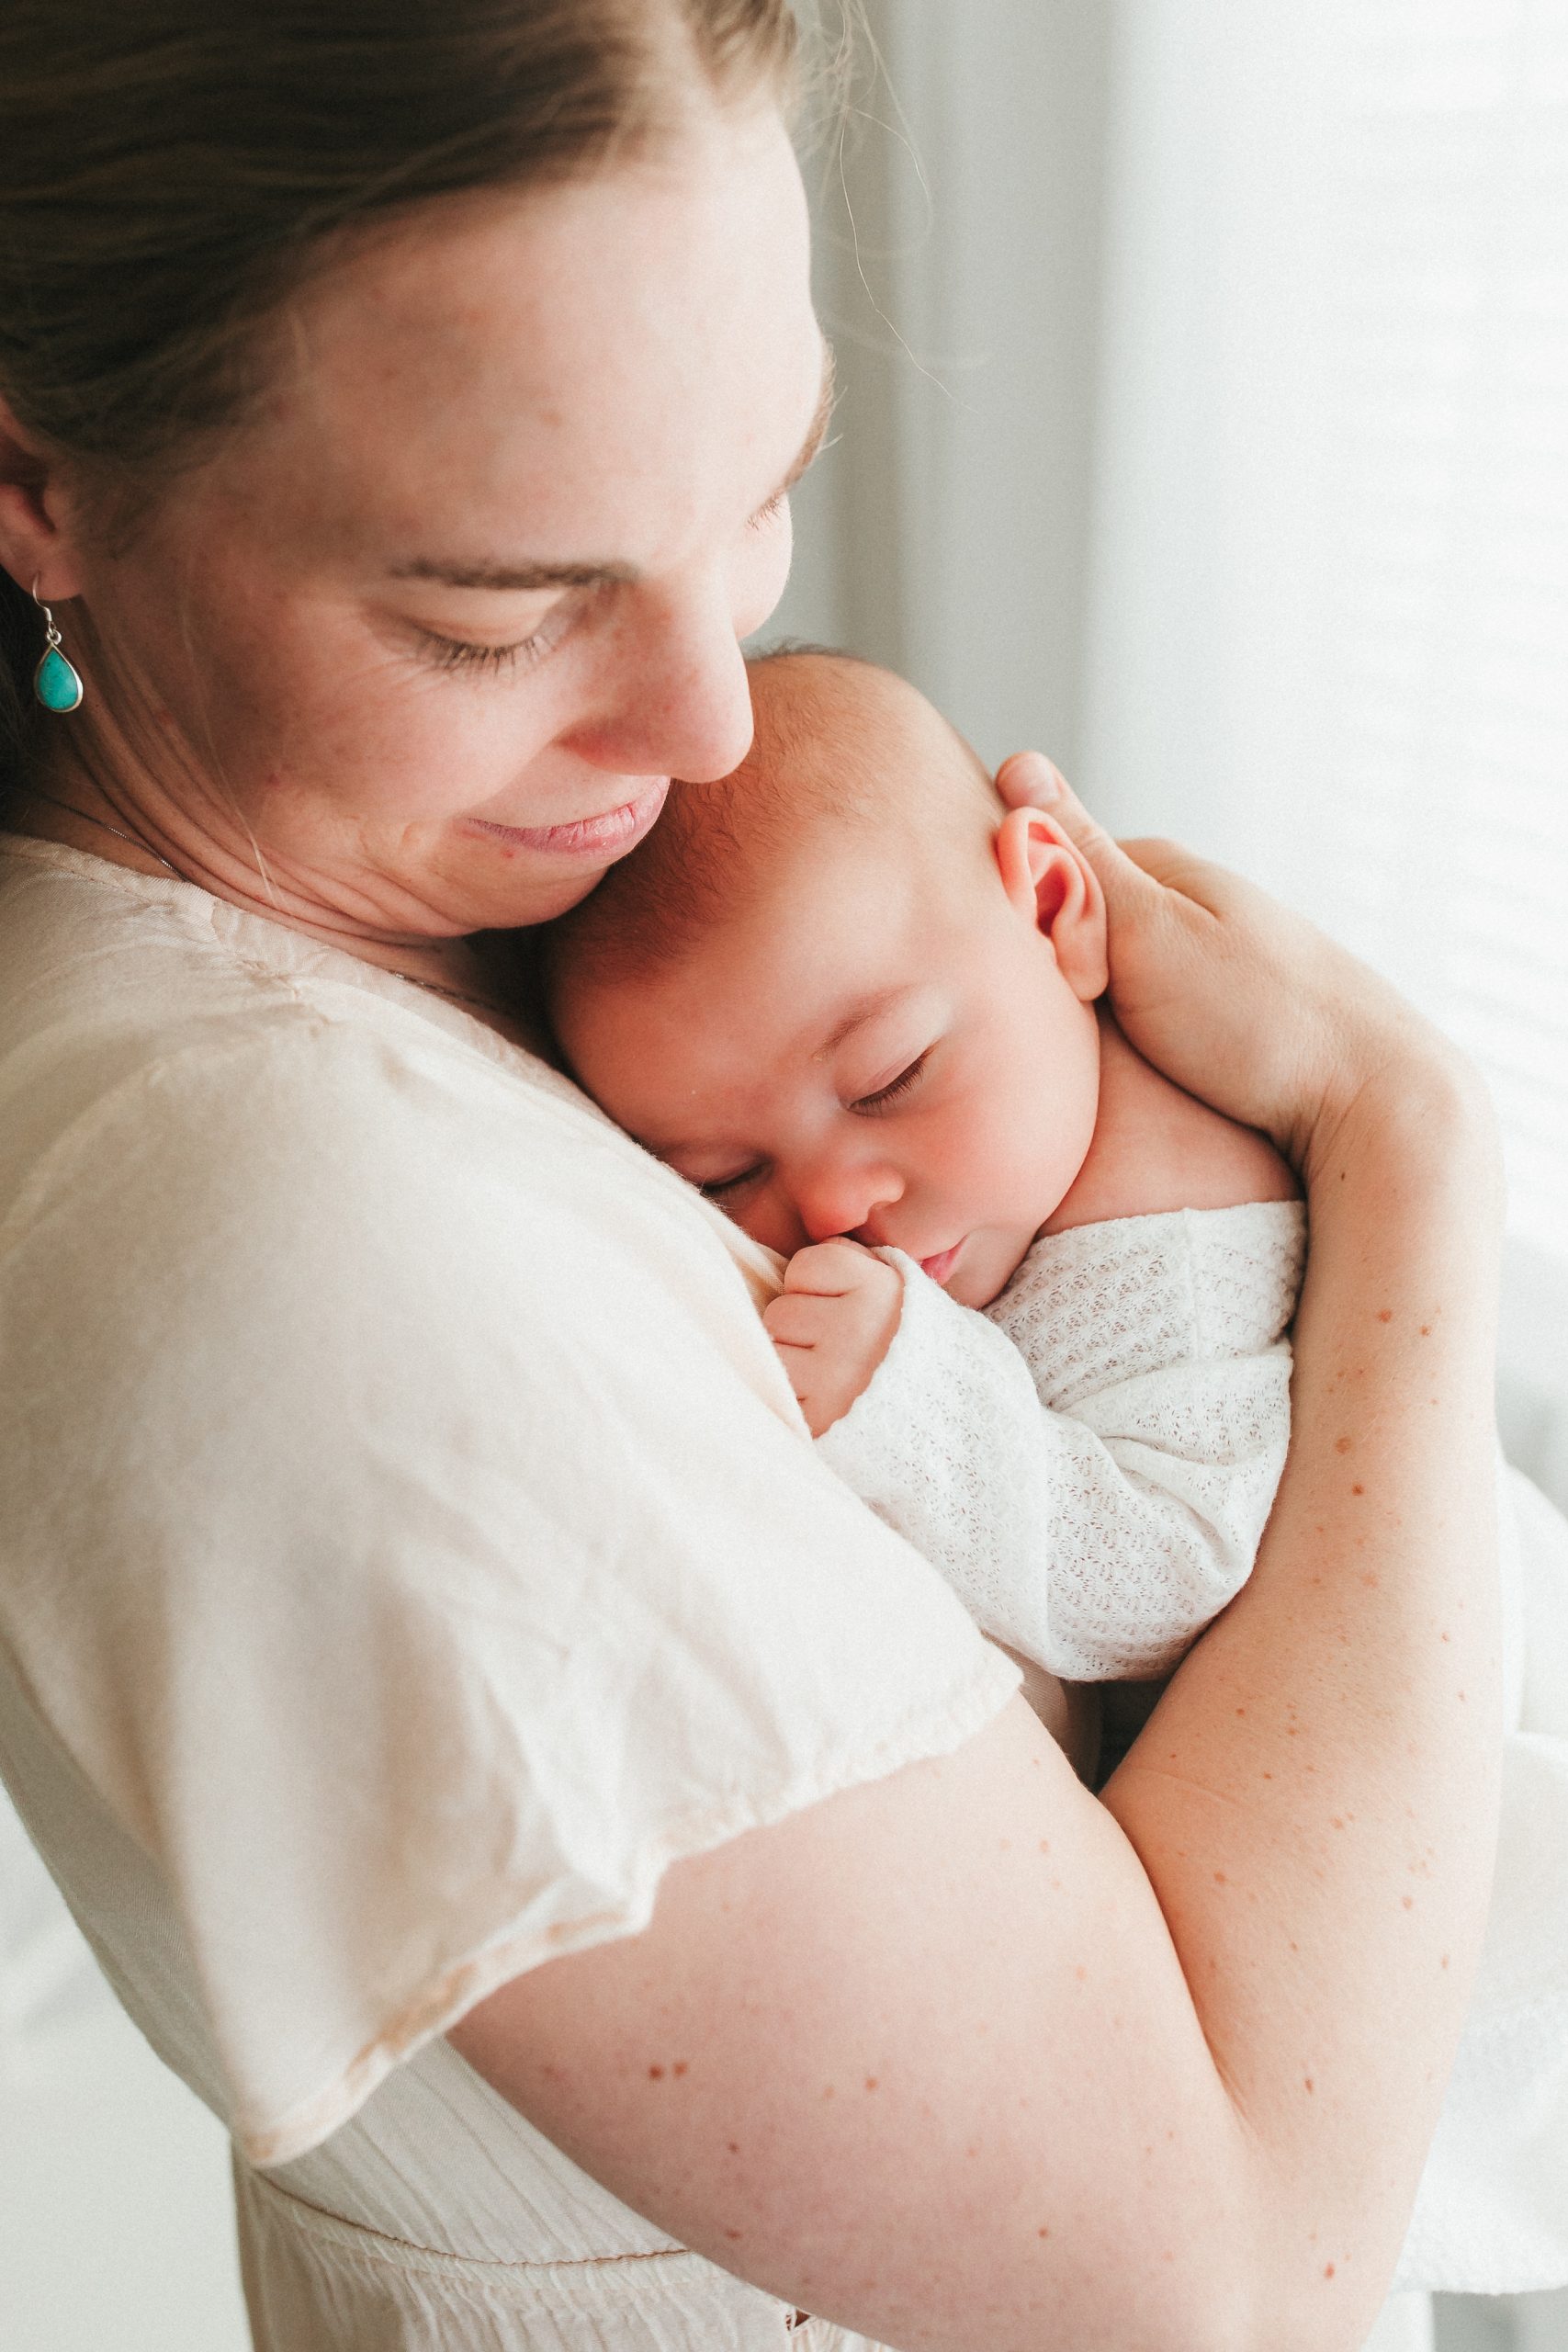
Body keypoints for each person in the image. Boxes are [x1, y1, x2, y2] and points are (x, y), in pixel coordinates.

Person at [0, 8, 1510, 2349]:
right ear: (36, 483)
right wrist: (1405, 1145)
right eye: (498, 608)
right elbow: (1231, 2276)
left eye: (758, 493)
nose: (712, 721)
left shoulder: (430, 922)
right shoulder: (308, 1240)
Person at [544, 647, 1568, 2303]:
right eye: (723, 1176)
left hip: (1450, 1881)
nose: (840, 1201)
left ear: (1053, 903)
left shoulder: (1174, 1221)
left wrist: (926, 1404)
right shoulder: (1008, 1169)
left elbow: (1185, 1569)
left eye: (889, 1079)